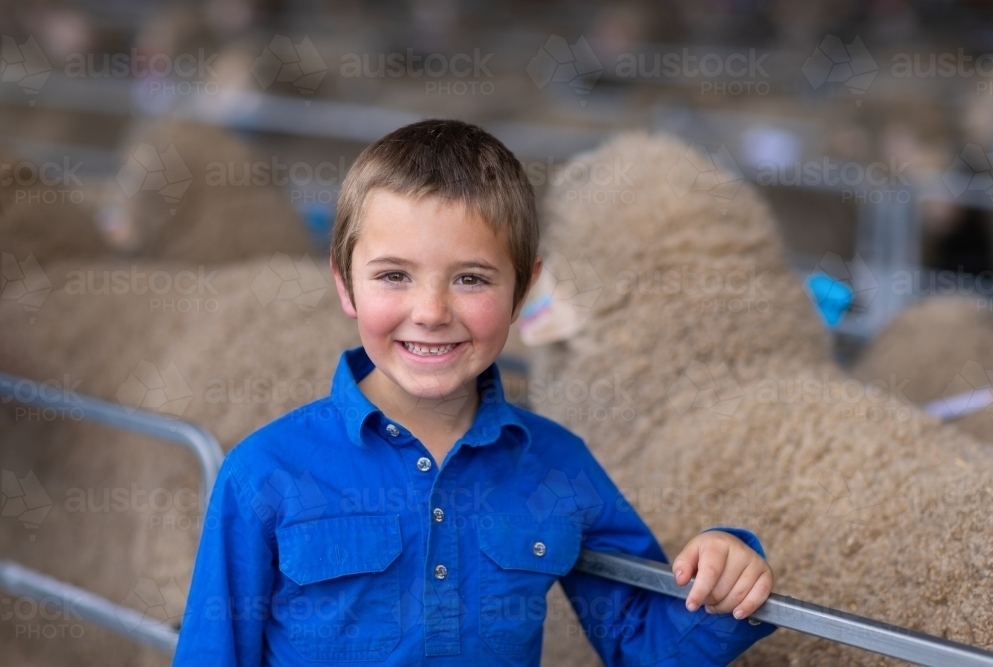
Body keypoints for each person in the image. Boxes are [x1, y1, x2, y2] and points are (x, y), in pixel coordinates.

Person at [172, 119, 776, 666]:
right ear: (346, 283)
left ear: (524, 289)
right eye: (393, 276)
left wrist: (725, 572)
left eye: (471, 278)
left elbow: (643, 641)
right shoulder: (264, 472)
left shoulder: (556, 466)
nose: (431, 312)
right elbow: (213, 653)